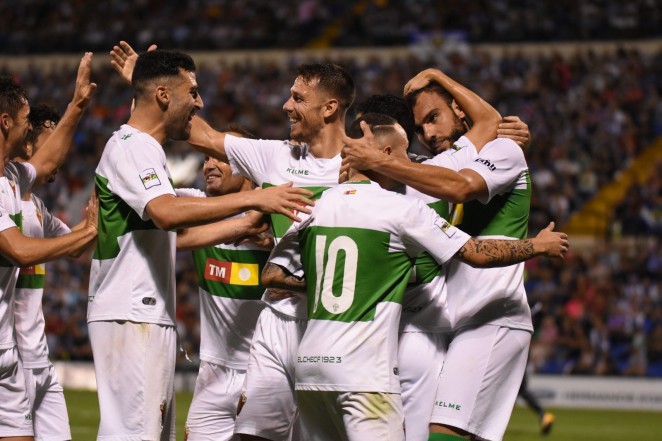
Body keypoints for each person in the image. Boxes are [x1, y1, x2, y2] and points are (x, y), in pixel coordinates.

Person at [261, 113, 568, 441]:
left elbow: (272, 274)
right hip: (363, 373)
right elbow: (475, 253)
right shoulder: (400, 209)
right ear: (385, 155)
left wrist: (339, 282)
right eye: (405, 151)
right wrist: (536, 245)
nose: (411, 161)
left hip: (309, 369)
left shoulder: (315, 208)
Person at [89, 49, 314, 441]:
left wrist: (251, 218)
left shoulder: (146, 148)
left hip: (244, 356)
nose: (200, 101)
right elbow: (168, 215)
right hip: (134, 313)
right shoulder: (136, 147)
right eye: (192, 92)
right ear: (163, 95)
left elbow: (177, 230)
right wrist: (252, 202)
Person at [341, 68, 543, 441]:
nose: (429, 135)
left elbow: (463, 184)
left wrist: (436, 74)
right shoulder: (424, 170)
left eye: (434, 118)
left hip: (489, 315)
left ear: (459, 110)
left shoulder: (499, 149)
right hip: (445, 321)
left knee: (441, 432)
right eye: (419, 129)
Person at [0, 55, 99, 441]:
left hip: (18, 355)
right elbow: (21, 252)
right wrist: (86, 231)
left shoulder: (13, 180)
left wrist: (78, 105)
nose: (29, 132)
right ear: (6, 122)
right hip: (14, 355)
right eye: (26, 122)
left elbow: (47, 162)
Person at [175, 125, 274, 441]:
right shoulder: (195, 206)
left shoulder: (276, 213)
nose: (209, 166)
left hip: (267, 372)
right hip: (214, 370)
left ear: (249, 166)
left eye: (221, 158)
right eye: (205, 158)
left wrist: (276, 242)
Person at [12, 104, 86, 441]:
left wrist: (112, 205)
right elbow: (27, 250)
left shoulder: (37, 207)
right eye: (52, 140)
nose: (60, 153)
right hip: (13, 359)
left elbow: (74, 243)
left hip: (39, 358)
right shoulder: (7, 198)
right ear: (29, 144)